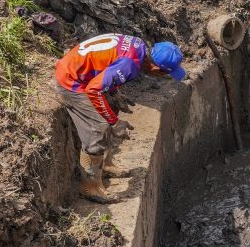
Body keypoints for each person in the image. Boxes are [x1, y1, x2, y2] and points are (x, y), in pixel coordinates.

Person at [53, 33, 185, 203]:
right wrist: (115, 123)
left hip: (79, 70)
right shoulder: (130, 64)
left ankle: (106, 165)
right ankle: (90, 186)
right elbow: (94, 90)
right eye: (164, 74)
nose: (162, 77)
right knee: (98, 128)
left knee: (110, 107)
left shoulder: (138, 45)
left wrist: (114, 94)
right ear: (156, 68)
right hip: (70, 81)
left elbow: (108, 65)